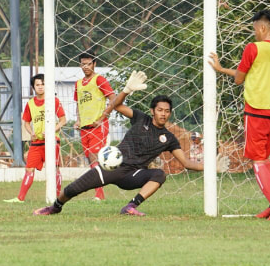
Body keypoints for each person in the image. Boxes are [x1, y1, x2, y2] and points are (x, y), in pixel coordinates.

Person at [34, 71, 208, 216]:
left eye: (167, 111)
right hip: (112, 167)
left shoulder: (168, 138)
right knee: (72, 189)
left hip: (133, 175)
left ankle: (130, 206)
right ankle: (54, 207)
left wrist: (210, 166)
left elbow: (186, 163)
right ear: (152, 111)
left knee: (159, 174)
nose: (163, 114)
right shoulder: (141, 118)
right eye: (160, 110)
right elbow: (116, 106)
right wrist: (126, 90)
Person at [208, 9, 270, 220]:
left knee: (257, 161)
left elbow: (240, 79)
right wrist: (222, 69)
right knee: (266, 159)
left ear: (262, 27)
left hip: (257, 110)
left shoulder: (253, 48)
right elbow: (251, 74)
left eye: (254, 29)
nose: (254, 34)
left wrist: (226, 72)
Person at [4, 74, 66, 203]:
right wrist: (31, 132)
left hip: (52, 141)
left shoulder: (53, 100)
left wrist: (51, 130)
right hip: (36, 142)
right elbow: (26, 122)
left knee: (54, 169)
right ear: (33, 87)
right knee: (29, 169)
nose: (40, 87)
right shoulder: (30, 103)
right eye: (37, 85)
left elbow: (63, 120)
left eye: (43, 84)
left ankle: (58, 198)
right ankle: (20, 198)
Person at [74, 51, 116, 201]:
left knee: (94, 157)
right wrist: (78, 120)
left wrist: (102, 117)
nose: (86, 67)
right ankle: (100, 192)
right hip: (84, 128)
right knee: (91, 160)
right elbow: (78, 104)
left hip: (98, 126)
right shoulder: (78, 84)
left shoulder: (99, 80)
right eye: (83, 64)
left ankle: (99, 195)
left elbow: (113, 99)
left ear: (94, 64)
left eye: (89, 64)